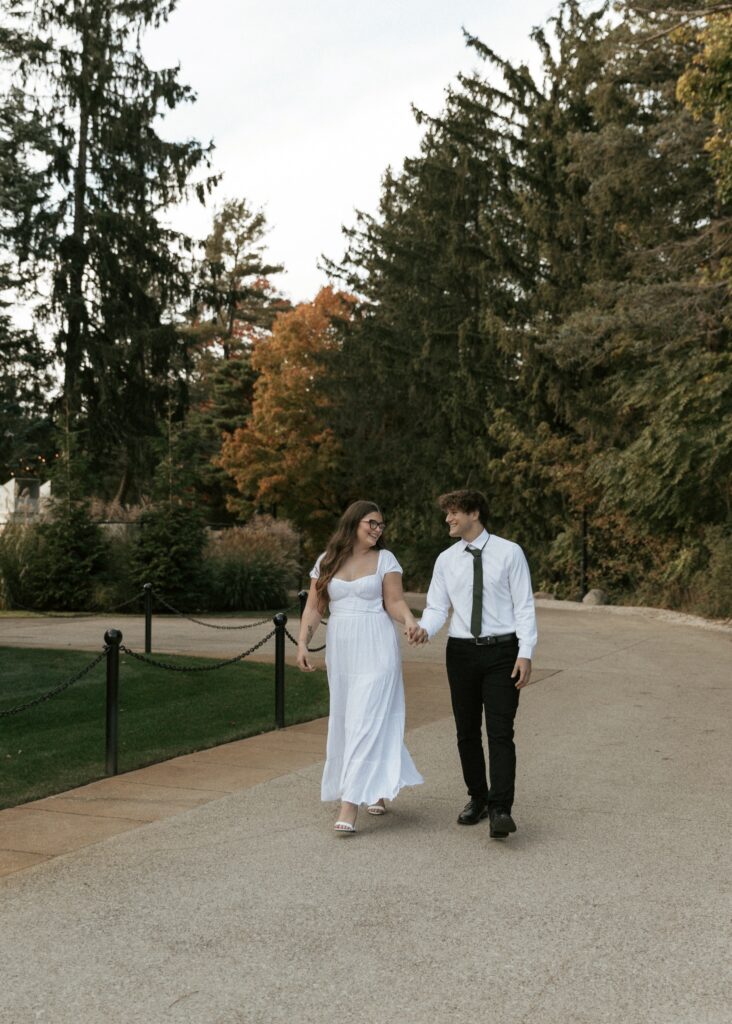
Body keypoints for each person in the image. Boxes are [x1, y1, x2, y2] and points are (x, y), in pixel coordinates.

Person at [413, 489, 537, 839]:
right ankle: (478, 799)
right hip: (462, 653)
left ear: (474, 513)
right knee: (466, 731)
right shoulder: (446, 560)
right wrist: (425, 630)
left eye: (453, 513)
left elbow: (524, 606)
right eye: (447, 514)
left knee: (500, 732)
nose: (448, 519)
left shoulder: (509, 553)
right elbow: (437, 608)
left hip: (502, 653)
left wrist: (525, 651)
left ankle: (501, 809)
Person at [297, 500, 424, 835]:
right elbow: (314, 607)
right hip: (343, 650)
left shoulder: (386, 559)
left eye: (381, 525)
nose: (377, 530)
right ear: (353, 522)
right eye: (372, 523)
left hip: (377, 645)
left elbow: (394, 602)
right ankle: (377, 786)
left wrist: (410, 620)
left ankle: (349, 803)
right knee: (351, 718)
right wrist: (302, 642)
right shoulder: (326, 561)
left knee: (366, 718)